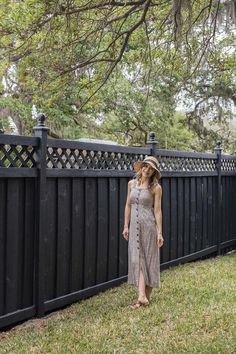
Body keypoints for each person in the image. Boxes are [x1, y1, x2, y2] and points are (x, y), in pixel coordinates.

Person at [122, 156, 164, 309]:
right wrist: (126, 226)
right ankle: (141, 296)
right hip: (134, 227)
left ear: (154, 171)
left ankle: (143, 298)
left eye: (151, 168)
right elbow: (128, 205)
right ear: (141, 167)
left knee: (149, 260)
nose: (147, 170)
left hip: (149, 227)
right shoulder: (131, 184)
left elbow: (158, 211)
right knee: (137, 259)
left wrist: (159, 232)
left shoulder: (156, 188)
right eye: (145, 166)